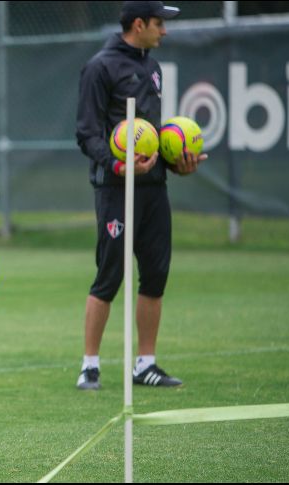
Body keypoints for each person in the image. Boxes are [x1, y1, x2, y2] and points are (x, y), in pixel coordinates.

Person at [74, 1, 207, 390]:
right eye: (159, 23)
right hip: (115, 188)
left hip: (153, 189)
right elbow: (87, 133)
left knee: (155, 275)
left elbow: (152, 137)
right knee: (109, 276)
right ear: (138, 23)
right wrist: (118, 166)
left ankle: (145, 364)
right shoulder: (100, 67)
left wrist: (177, 163)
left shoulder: (152, 66)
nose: (164, 30)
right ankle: (90, 366)